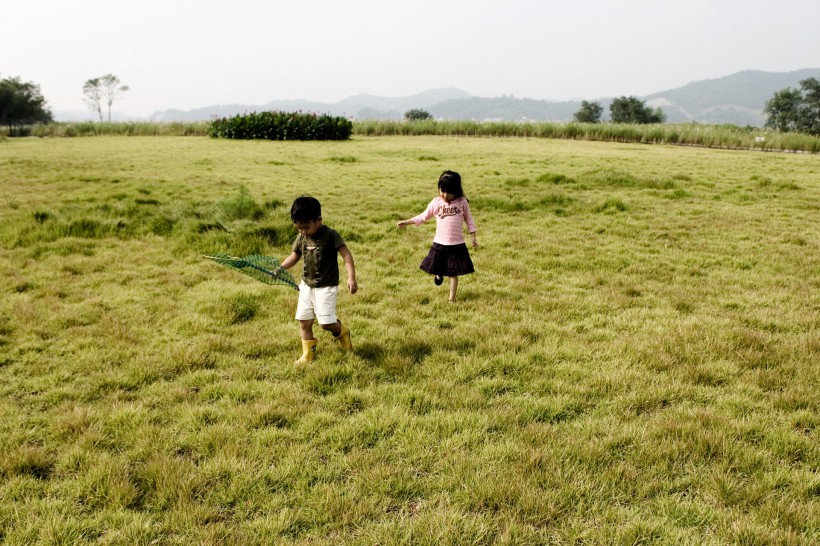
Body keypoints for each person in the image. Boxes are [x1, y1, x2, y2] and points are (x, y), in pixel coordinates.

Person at [279, 196, 358, 364]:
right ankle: (308, 354)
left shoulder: (331, 235)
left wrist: (351, 277)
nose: (303, 231)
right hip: (306, 286)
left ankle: (342, 332)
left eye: (306, 227)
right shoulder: (301, 237)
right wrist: (280, 268)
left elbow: (346, 255)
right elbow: (294, 256)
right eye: (299, 228)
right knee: (304, 321)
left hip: (326, 287)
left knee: (326, 323)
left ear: (319, 220)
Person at [397, 170, 478, 303]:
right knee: (438, 267)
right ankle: (439, 274)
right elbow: (423, 217)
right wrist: (407, 222)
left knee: (453, 273)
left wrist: (473, 238)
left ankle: (451, 299)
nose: (445, 195)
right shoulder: (436, 202)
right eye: (442, 191)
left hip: (456, 245)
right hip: (439, 243)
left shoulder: (462, 202)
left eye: (449, 192)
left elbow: (470, 221)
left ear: (456, 191)